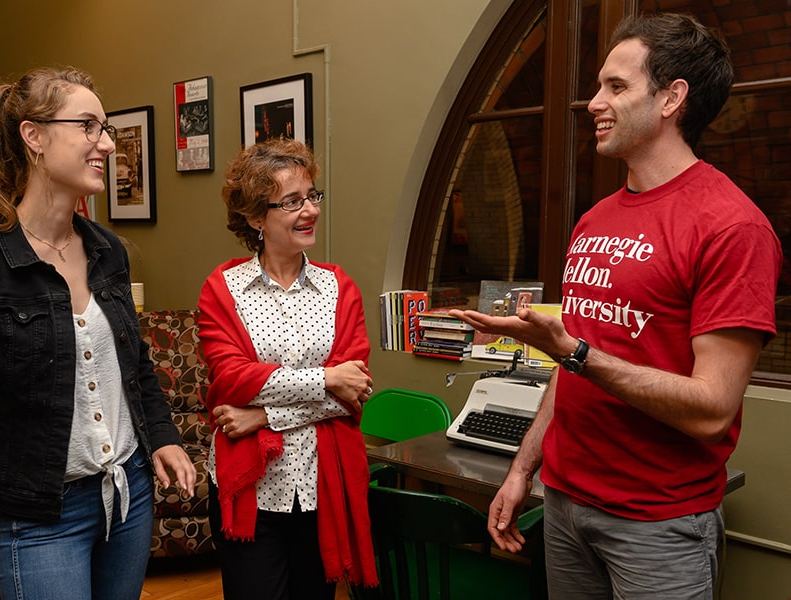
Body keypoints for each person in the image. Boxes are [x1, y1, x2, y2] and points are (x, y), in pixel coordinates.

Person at [451, 13, 782, 599]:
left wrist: (575, 352)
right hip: (565, 503)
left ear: (672, 99)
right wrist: (523, 472)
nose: (593, 103)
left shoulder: (731, 227)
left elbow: (711, 408)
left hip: (657, 525)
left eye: (617, 87)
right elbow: (571, 371)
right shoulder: (595, 219)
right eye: (599, 85)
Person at [0, 66, 197, 600]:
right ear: (34, 136)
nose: (106, 144)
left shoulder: (106, 249)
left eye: (105, 129)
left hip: (128, 496)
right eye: (88, 126)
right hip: (42, 519)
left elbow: (134, 369)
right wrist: (3, 494)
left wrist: (163, 439)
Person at [198, 138, 379, 600]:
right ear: (256, 218)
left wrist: (263, 415)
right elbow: (231, 379)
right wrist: (326, 379)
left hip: (323, 484)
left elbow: (353, 394)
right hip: (252, 489)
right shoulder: (223, 289)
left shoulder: (340, 288)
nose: (310, 211)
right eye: (292, 201)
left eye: (313, 196)